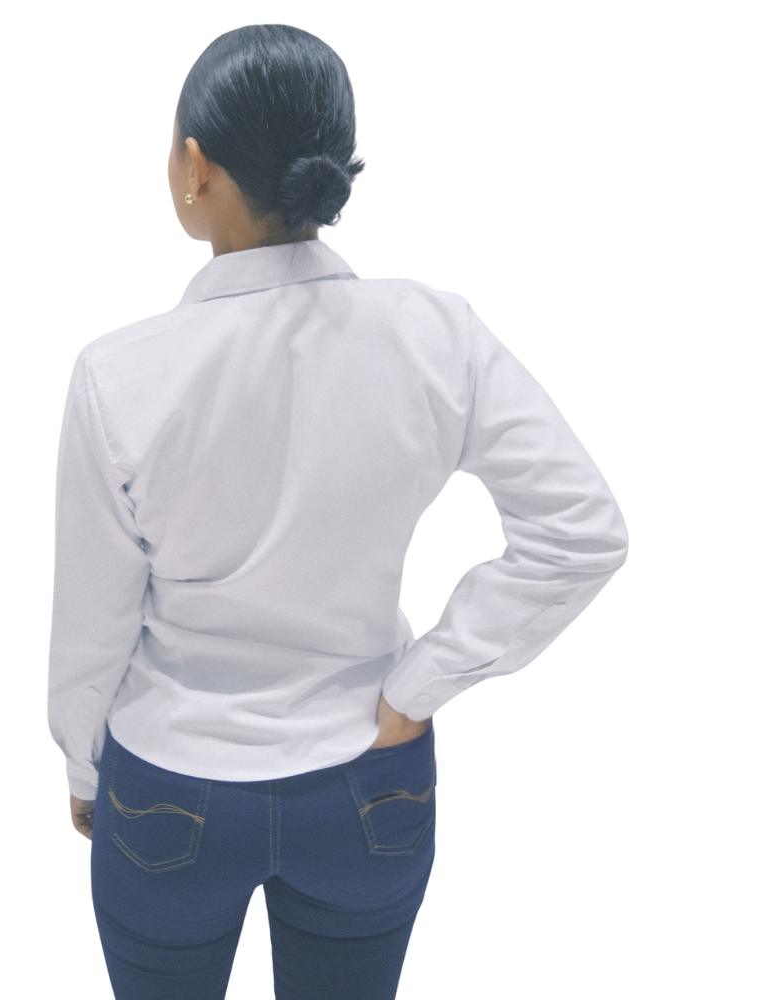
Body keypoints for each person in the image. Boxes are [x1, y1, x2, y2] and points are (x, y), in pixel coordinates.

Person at [47, 23, 628, 1000]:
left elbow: (92, 621)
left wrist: (82, 764)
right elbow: (581, 530)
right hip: (368, 779)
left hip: (172, 790)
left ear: (196, 166)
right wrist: (421, 682)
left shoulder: (120, 375)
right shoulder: (434, 333)